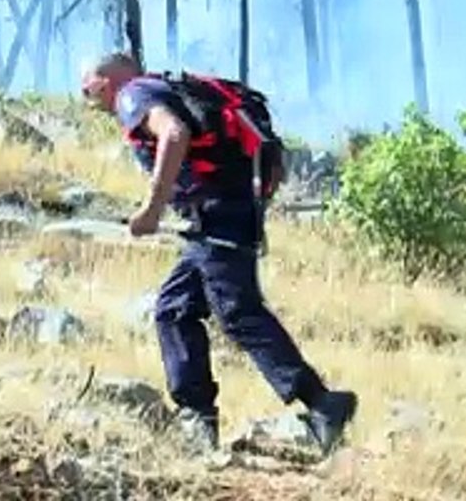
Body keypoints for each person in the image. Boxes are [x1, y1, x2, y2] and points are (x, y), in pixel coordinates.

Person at [80, 52, 357, 457]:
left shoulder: (133, 95)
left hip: (215, 216)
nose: (88, 100)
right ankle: (198, 418)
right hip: (221, 215)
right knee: (174, 309)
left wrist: (153, 208)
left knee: (237, 310)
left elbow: (174, 134)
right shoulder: (169, 86)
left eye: (86, 89)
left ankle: (322, 403)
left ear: (104, 80)